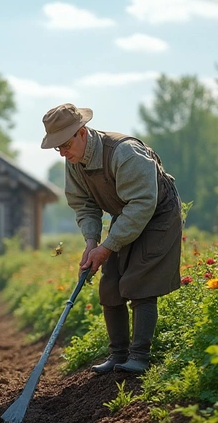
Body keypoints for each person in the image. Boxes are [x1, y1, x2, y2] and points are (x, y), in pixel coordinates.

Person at [41, 103, 182, 374]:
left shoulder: (124, 152)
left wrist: (108, 246)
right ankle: (118, 355)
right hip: (125, 213)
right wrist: (92, 242)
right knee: (111, 282)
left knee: (140, 282)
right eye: (57, 148)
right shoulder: (74, 162)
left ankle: (139, 357)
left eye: (65, 144)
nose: (62, 152)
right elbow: (84, 205)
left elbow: (142, 203)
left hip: (157, 214)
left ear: (82, 133)